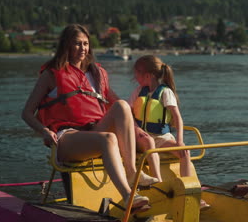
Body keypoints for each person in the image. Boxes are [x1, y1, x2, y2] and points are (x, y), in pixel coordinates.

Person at [21, 24, 157, 212]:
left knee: (122, 106)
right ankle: (129, 197)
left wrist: (138, 131)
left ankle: (132, 173)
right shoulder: (51, 74)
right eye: (77, 44)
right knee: (108, 138)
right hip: (67, 137)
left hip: (93, 131)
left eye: (85, 44)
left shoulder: (97, 74)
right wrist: (44, 130)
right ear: (66, 46)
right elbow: (27, 113)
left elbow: (118, 106)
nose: (83, 48)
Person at [128, 55, 210, 209]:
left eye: (137, 73)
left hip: (162, 137)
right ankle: (159, 184)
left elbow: (177, 118)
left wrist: (179, 141)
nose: (135, 77)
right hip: (142, 138)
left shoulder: (165, 92)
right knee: (150, 143)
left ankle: (190, 193)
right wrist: (136, 129)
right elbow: (128, 112)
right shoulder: (138, 92)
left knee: (184, 151)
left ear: (148, 75)